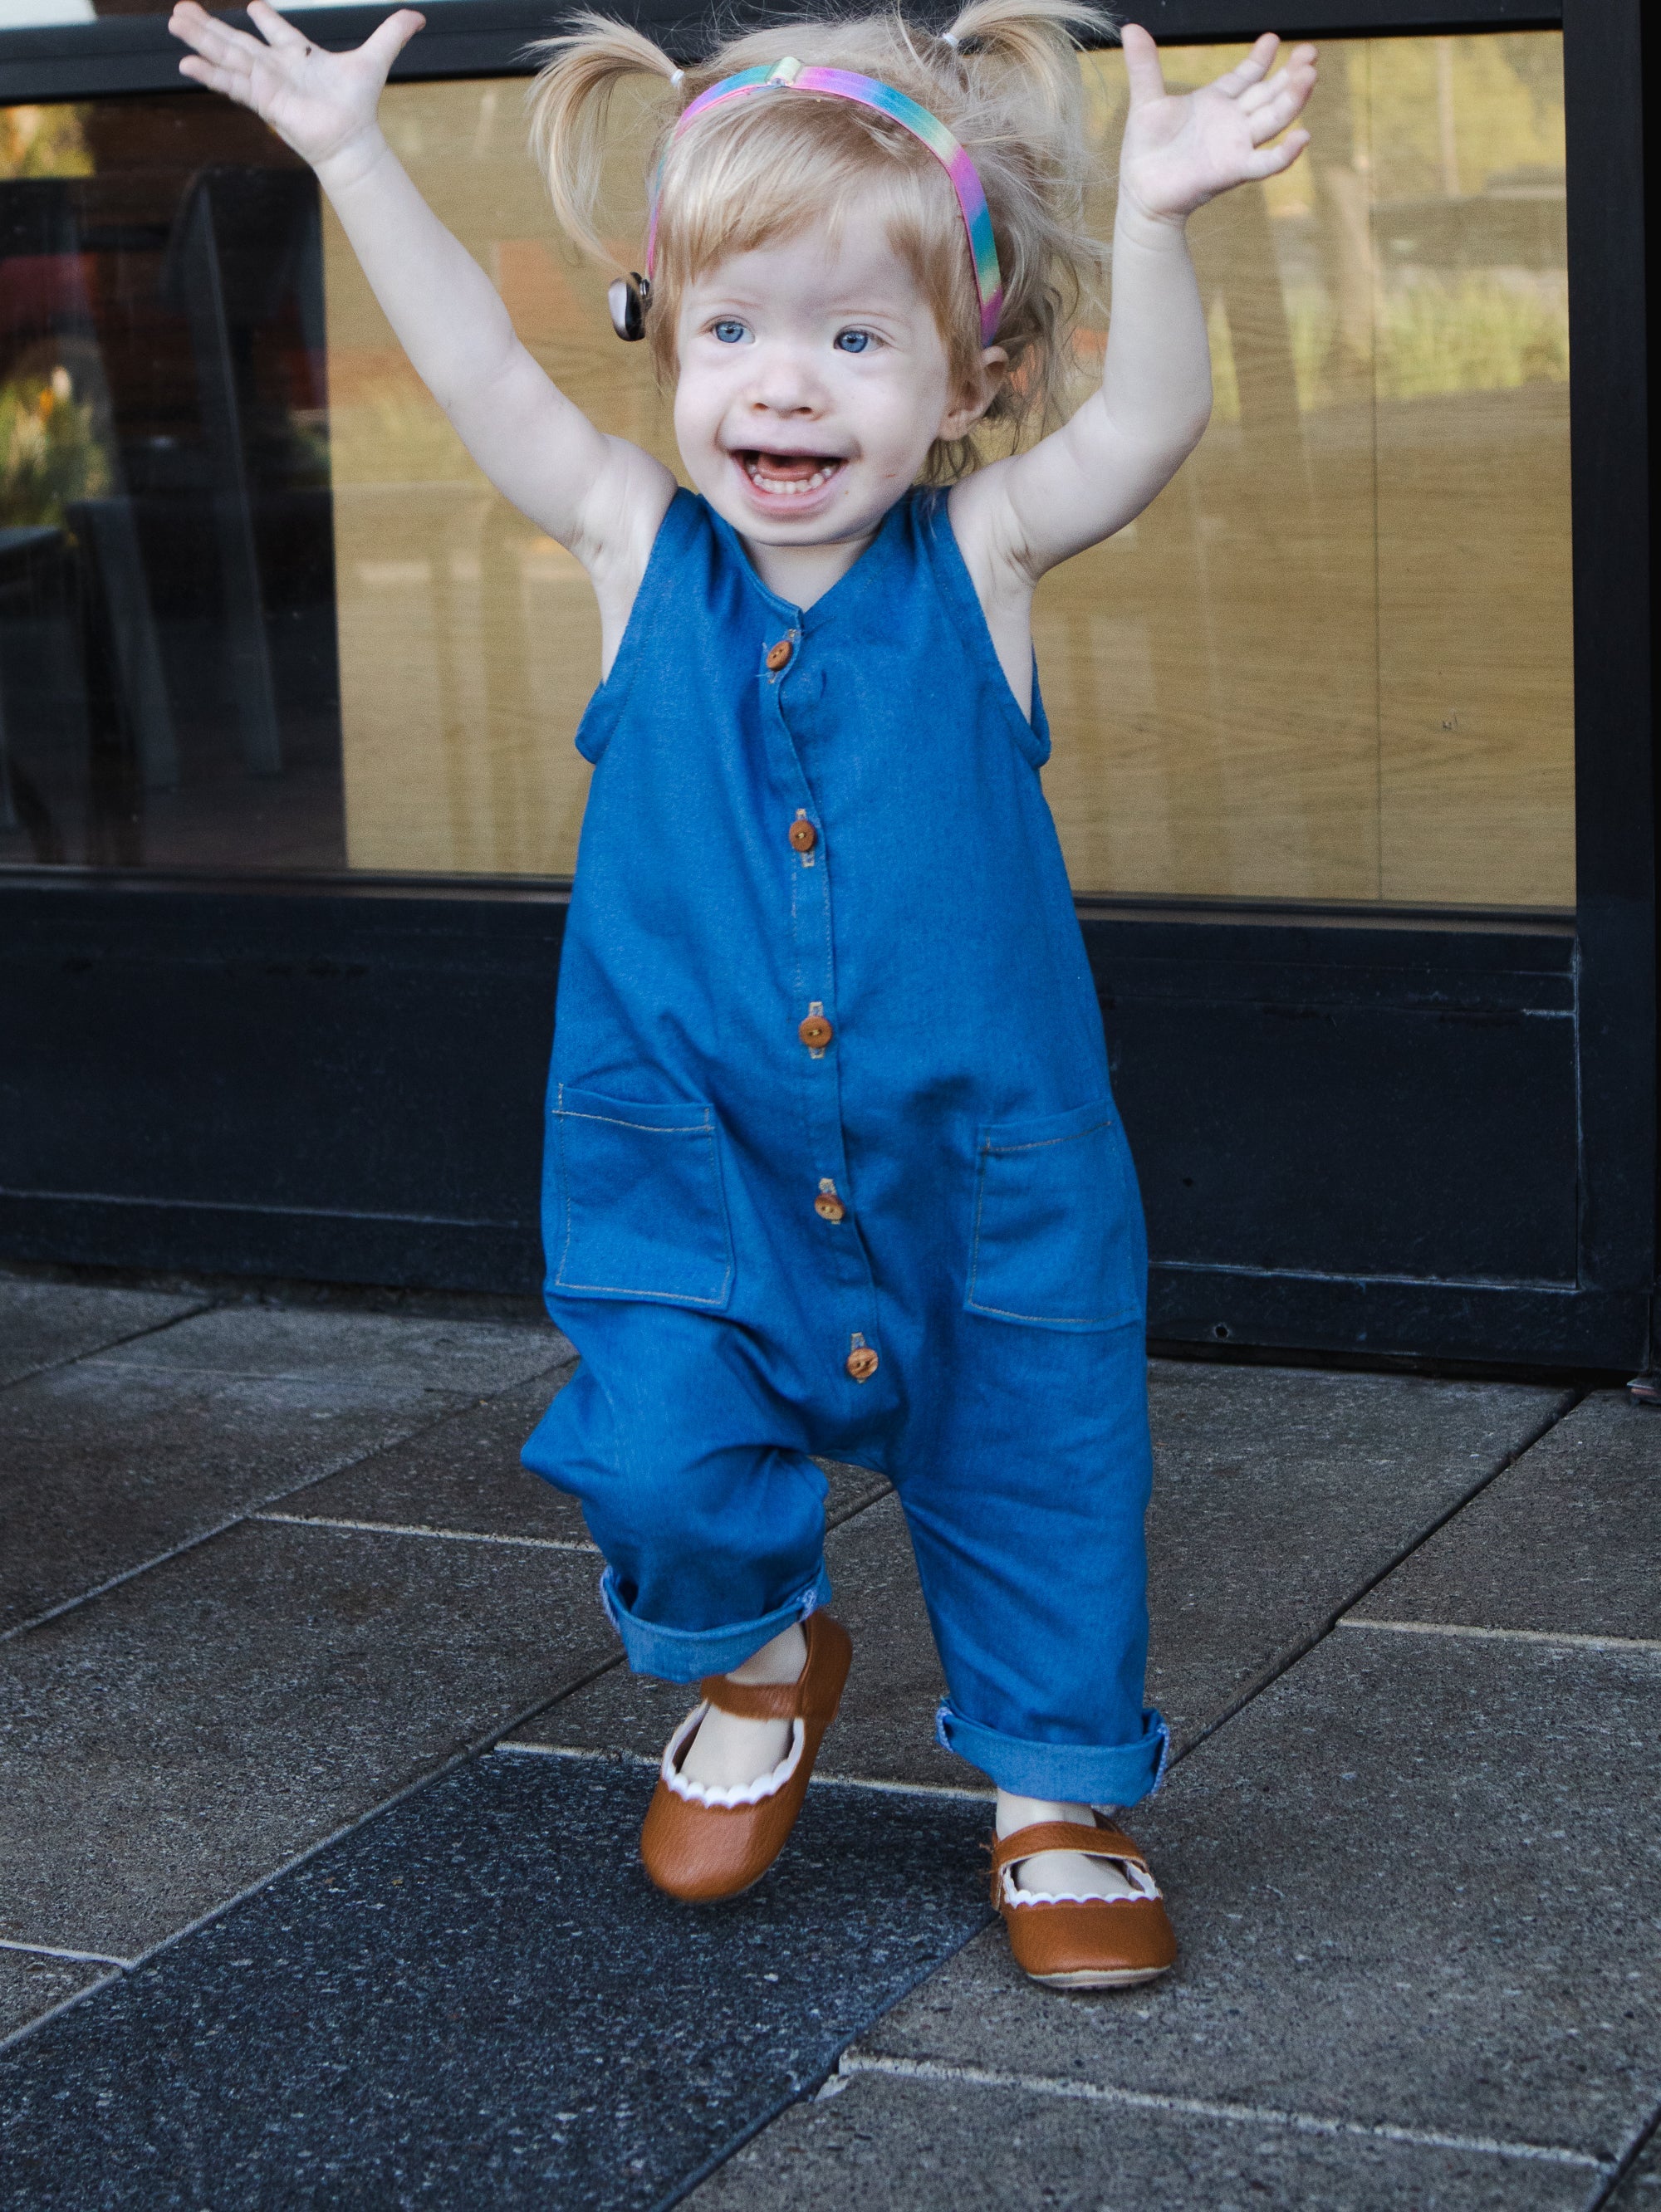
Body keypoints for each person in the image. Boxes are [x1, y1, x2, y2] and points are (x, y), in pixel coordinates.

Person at [169, 0, 1314, 1989]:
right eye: (731, 331)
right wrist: (351, 155)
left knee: (1041, 1479)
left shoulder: (982, 554)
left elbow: (1145, 430)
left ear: (969, 379)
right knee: (654, 1451)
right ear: (666, 345)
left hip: (985, 1174)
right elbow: (478, 372)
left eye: (856, 340)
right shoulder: (636, 547)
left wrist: (1154, 216)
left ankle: (1055, 1799)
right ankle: (762, 1657)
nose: (783, 385)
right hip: (688, 1164)